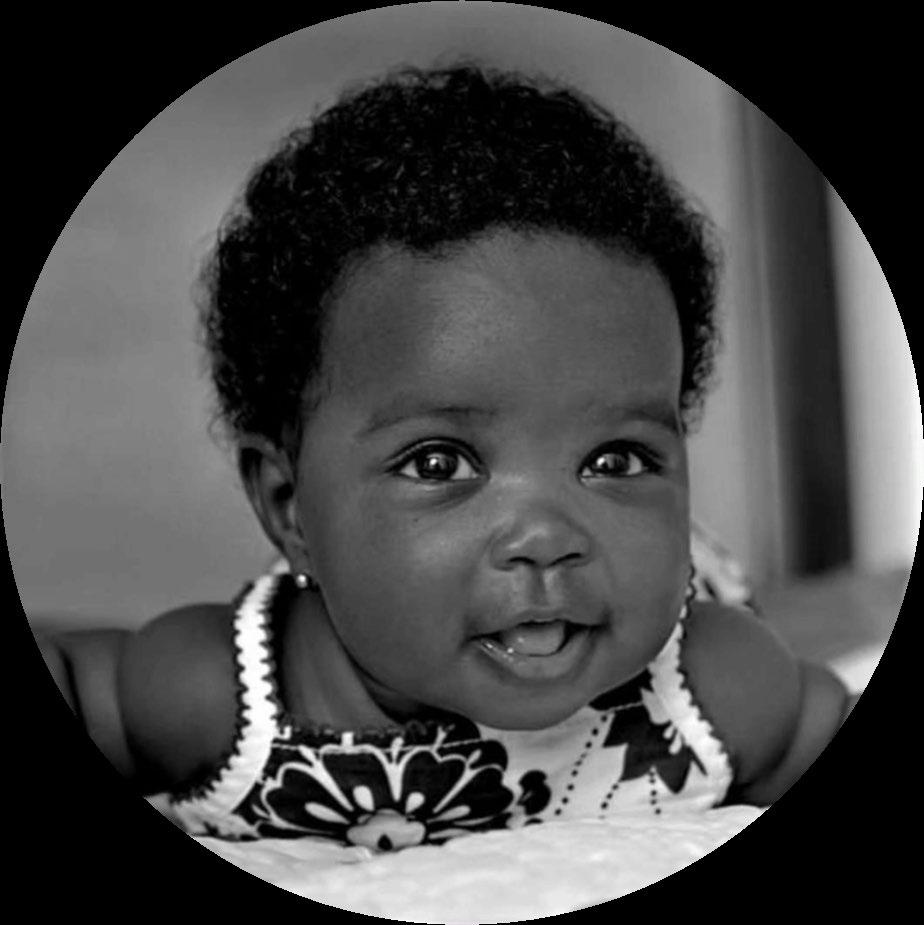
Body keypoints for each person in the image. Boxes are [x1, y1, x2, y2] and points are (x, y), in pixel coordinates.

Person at [37, 64, 854, 851]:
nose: (546, 536)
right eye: (440, 464)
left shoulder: (713, 687)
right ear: (290, 510)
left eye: (616, 458)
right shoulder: (225, 696)